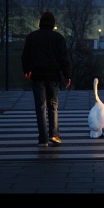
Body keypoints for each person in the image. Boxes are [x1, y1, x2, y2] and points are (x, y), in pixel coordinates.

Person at [21, 11, 72, 147]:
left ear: (40, 22)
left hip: (37, 75)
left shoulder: (32, 37)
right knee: (53, 106)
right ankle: (54, 135)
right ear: (53, 24)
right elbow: (64, 59)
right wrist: (67, 76)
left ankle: (43, 139)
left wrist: (26, 70)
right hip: (53, 76)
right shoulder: (58, 38)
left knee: (40, 107)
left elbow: (25, 56)